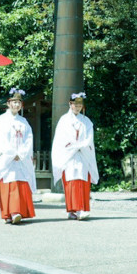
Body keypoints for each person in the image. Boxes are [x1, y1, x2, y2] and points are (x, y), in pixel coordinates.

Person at [0, 88, 36, 224]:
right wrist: (12, 153)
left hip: (21, 158)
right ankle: (10, 213)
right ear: (8, 103)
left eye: (19, 102)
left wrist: (21, 153)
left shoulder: (24, 122)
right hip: (7, 158)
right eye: (14, 102)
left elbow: (29, 139)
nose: (16, 105)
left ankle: (19, 212)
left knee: (21, 183)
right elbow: (0, 140)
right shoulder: (1, 120)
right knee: (9, 184)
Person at [51, 92, 99, 220]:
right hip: (69, 156)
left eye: (79, 105)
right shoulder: (64, 120)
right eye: (75, 104)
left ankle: (81, 208)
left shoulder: (86, 121)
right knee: (71, 181)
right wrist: (74, 146)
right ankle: (73, 210)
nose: (77, 107)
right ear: (70, 104)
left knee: (82, 181)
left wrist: (81, 145)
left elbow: (89, 139)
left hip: (82, 154)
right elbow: (61, 140)